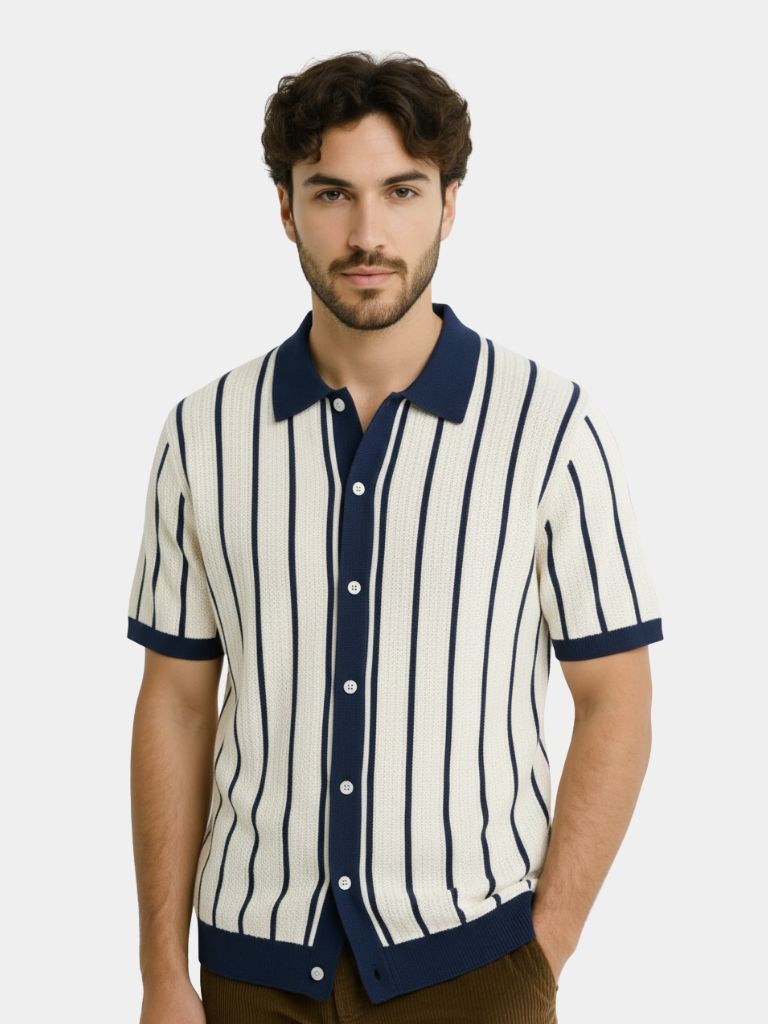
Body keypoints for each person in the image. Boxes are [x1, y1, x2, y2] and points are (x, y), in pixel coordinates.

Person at [128, 50, 664, 1024]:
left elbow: (616, 697)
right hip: (251, 968)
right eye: (331, 193)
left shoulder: (550, 428)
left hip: (477, 964)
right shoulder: (204, 435)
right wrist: (163, 971)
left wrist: (543, 949)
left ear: (449, 206)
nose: (367, 234)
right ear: (286, 208)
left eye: (402, 192)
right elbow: (175, 703)